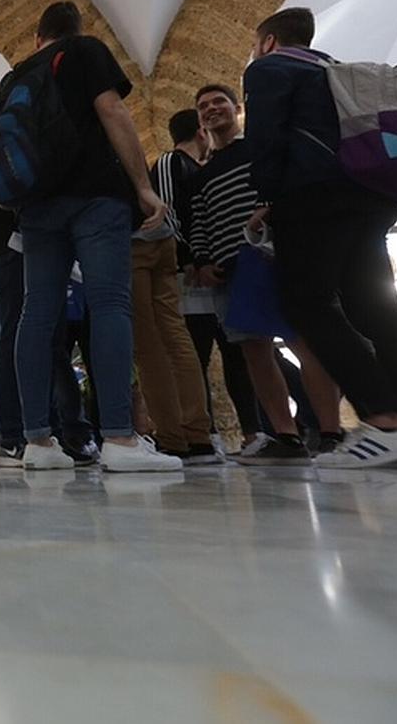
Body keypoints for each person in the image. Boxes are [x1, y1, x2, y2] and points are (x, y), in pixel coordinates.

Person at [245, 8, 397, 468]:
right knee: (374, 306)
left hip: (313, 200)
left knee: (307, 303)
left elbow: (266, 137)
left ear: (269, 41)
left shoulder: (270, 68)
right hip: (369, 198)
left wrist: (271, 193)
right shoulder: (335, 69)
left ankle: (386, 420)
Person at [4, 2, 178, 473]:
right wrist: (143, 187)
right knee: (109, 304)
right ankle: (120, 437)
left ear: (39, 37)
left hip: (38, 207)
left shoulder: (16, 76)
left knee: (36, 313)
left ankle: (38, 442)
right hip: (95, 197)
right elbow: (112, 110)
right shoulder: (84, 51)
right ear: (76, 30)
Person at [188, 81, 343, 465]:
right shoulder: (200, 174)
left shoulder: (261, 150)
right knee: (253, 351)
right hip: (232, 271)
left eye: (219, 102)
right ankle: (285, 435)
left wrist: (270, 212)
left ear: (236, 108)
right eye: (204, 106)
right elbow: (199, 221)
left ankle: (330, 432)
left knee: (303, 343)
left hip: (275, 259)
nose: (211, 109)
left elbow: (283, 190)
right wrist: (203, 260)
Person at [160, 110, 262, 450]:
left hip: (211, 272)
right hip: (187, 278)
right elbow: (167, 213)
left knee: (237, 352)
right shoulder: (171, 164)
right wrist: (189, 258)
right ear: (202, 133)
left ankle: (253, 432)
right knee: (195, 354)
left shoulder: (201, 172)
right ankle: (201, 434)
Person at [130, 111, 218, 463]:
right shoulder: (124, 132)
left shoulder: (167, 161)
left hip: (135, 240)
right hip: (162, 245)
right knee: (175, 334)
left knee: (149, 344)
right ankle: (198, 434)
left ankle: (172, 436)